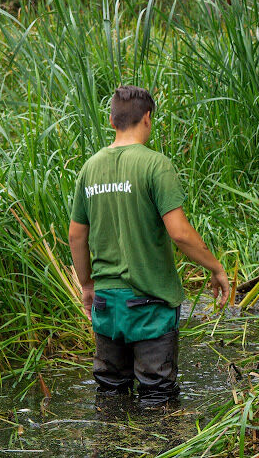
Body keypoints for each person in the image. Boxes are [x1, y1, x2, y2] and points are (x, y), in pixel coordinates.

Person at [68, 85, 230, 406]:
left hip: (106, 305)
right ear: (147, 118)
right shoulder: (156, 165)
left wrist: (87, 284)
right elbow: (180, 233)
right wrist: (216, 267)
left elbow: (76, 236)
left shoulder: (90, 168)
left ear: (112, 121)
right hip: (150, 306)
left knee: (110, 394)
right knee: (157, 398)